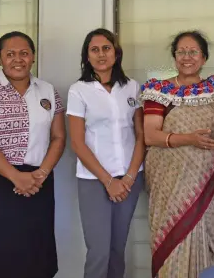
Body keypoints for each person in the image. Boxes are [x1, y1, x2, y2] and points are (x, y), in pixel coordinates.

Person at [141, 31, 214, 278]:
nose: (187, 57)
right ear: (174, 57)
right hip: (171, 186)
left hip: (212, 185)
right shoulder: (158, 91)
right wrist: (189, 140)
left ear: (204, 58)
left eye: (193, 52)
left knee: (212, 245)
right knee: (173, 246)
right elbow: (150, 135)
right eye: (181, 52)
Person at [0, 31, 66, 278]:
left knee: (35, 251)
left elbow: (59, 138)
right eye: (10, 54)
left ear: (33, 57)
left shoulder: (47, 91)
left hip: (38, 181)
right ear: (0, 58)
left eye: (24, 53)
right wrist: (15, 177)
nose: (17, 59)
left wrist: (40, 174)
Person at [67, 28, 145, 278]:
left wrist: (129, 178)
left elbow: (141, 136)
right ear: (87, 56)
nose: (101, 54)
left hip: (131, 177)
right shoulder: (79, 90)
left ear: (116, 53)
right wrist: (109, 181)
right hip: (94, 180)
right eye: (94, 49)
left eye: (106, 48)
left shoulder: (133, 88)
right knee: (98, 251)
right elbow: (78, 143)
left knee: (116, 249)